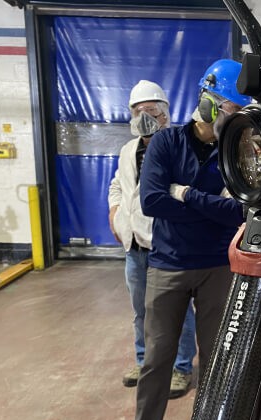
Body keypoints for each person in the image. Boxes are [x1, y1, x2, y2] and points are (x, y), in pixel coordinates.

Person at [133, 59, 252, 420]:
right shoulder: (167, 142)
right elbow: (152, 201)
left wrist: (184, 194)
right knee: (157, 360)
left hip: (218, 268)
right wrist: (210, 205)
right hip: (167, 267)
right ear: (208, 100)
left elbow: (238, 213)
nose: (232, 118)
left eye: (237, 111)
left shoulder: (236, 153)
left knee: (216, 360)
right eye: (229, 108)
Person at [108, 80, 196, 389]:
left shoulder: (180, 146)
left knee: (177, 311)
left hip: (168, 247)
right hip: (135, 248)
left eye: (151, 111)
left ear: (165, 114)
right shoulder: (128, 150)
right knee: (141, 311)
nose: (144, 117)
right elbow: (119, 184)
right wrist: (115, 212)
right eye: (138, 111)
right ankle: (145, 361)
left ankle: (181, 367)